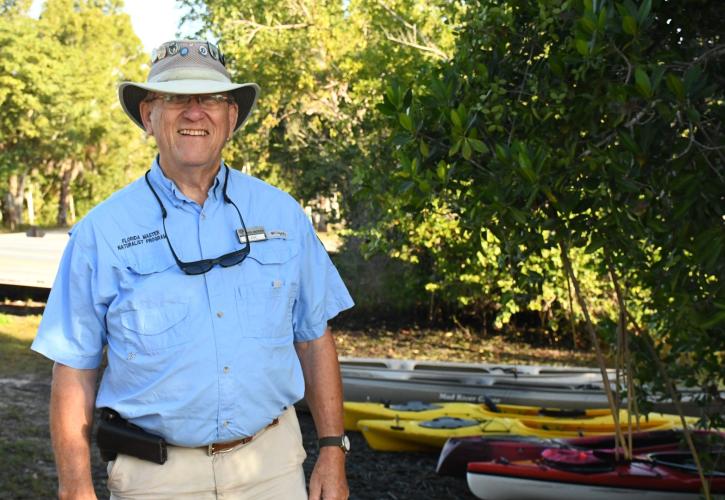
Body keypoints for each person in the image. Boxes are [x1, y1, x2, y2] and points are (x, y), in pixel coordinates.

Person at [31, 39, 354, 500]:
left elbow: (314, 337)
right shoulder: (100, 232)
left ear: (231, 118)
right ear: (148, 116)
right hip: (155, 481)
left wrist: (331, 450)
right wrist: (75, 486)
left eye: (211, 99)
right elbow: (74, 369)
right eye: (176, 98)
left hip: (273, 471)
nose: (194, 112)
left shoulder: (284, 216)